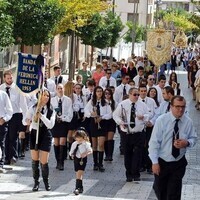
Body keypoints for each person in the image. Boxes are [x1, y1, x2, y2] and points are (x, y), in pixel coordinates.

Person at [149, 95, 197, 200]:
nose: (180, 109)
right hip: (162, 162)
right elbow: (154, 143)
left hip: (178, 162)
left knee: (173, 193)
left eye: (183, 107)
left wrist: (187, 143)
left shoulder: (188, 122)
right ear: (171, 106)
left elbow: (194, 138)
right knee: (160, 190)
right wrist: (154, 162)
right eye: (177, 106)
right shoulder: (161, 120)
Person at [113, 87, 149, 182]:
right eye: (135, 94)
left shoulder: (142, 105)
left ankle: (136, 173)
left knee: (138, 154)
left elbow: (148, 115)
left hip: (138, 133)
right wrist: (120, 122)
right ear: (129, 95)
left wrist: (143, 117)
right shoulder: (122, 104)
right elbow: (115, 115)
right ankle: (129, 174)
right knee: (127, 154)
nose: (137, 96)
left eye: (138, 94)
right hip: (127, 133)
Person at [25, 89, 56, 191]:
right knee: (35, 160)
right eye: (44, 95)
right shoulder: (33, 108)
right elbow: (25, 120)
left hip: (45, 135)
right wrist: (28, 120)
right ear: (39, 96)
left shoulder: (51, 110)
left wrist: (41, 116)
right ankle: (36, 182)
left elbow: (50, 125)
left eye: (48, 96)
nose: (46, 97)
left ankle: (46, 182)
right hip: (34, 133)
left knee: (44, 161)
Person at [0, 70, 28, 165]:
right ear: (4, 78)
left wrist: (25, 117)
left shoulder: (17, 88)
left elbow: (23, 104)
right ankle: (5, 157)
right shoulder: (1, 89)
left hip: (15, 115)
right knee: (5, 137)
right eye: (7, 78)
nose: (9, 80)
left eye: (11, 78)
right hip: (4, 115)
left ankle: (13, 156)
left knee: (13, 137)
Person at [84, 86, 109, 172]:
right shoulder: (91, 102)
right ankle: (95, 163)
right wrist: (92, 114)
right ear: (95, 93)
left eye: (100, 91)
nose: (99, 93)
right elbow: (86, 111)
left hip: (103, 123)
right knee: (94, 145)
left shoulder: (105, 102)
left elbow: (110, 114)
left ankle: (101, 164)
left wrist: (102, 117)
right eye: (97, 91)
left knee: (101, 144)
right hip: (93, 123)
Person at [51, 84, 73, 170]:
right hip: (55, 123)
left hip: (64, 123)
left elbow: (70, 113)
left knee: (62, 141)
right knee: (56, 142)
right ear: (56, 90)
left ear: (64, 89)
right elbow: (51, 111)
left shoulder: (68, 100)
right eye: (58, 88)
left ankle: (61, 162)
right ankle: (57, 161)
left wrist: (63, 118)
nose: (60, 90)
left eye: (61, 88)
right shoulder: (52, 100)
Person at [69, 127, 92, 195]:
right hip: (76, 158)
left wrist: (85, 154)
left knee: (80, 172)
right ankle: (80, 187)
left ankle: (77, 188)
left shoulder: (86, 143)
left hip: (82, 159)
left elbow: (90, 150)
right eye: (76, 137)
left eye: (79, 137)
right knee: (77, 173)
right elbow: (71, 151)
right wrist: (71, 154)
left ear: (83, 137)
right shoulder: (74, 144)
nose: (78, 139)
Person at [0, 90, 13, 173]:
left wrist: (4, 119)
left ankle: (0, 164)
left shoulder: (3, 94)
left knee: (1, 143)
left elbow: (9, 110)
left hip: (1, 122)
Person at [103, 88, 116, 162]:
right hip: (104, 121)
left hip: (112, 121)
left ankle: (110, 155)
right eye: (106, 93)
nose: (107, 95)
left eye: (109, 94)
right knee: (105, 138)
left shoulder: (114, 102)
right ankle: (106, 154)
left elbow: (115, 112)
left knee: (110, 137)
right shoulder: (102, 102)